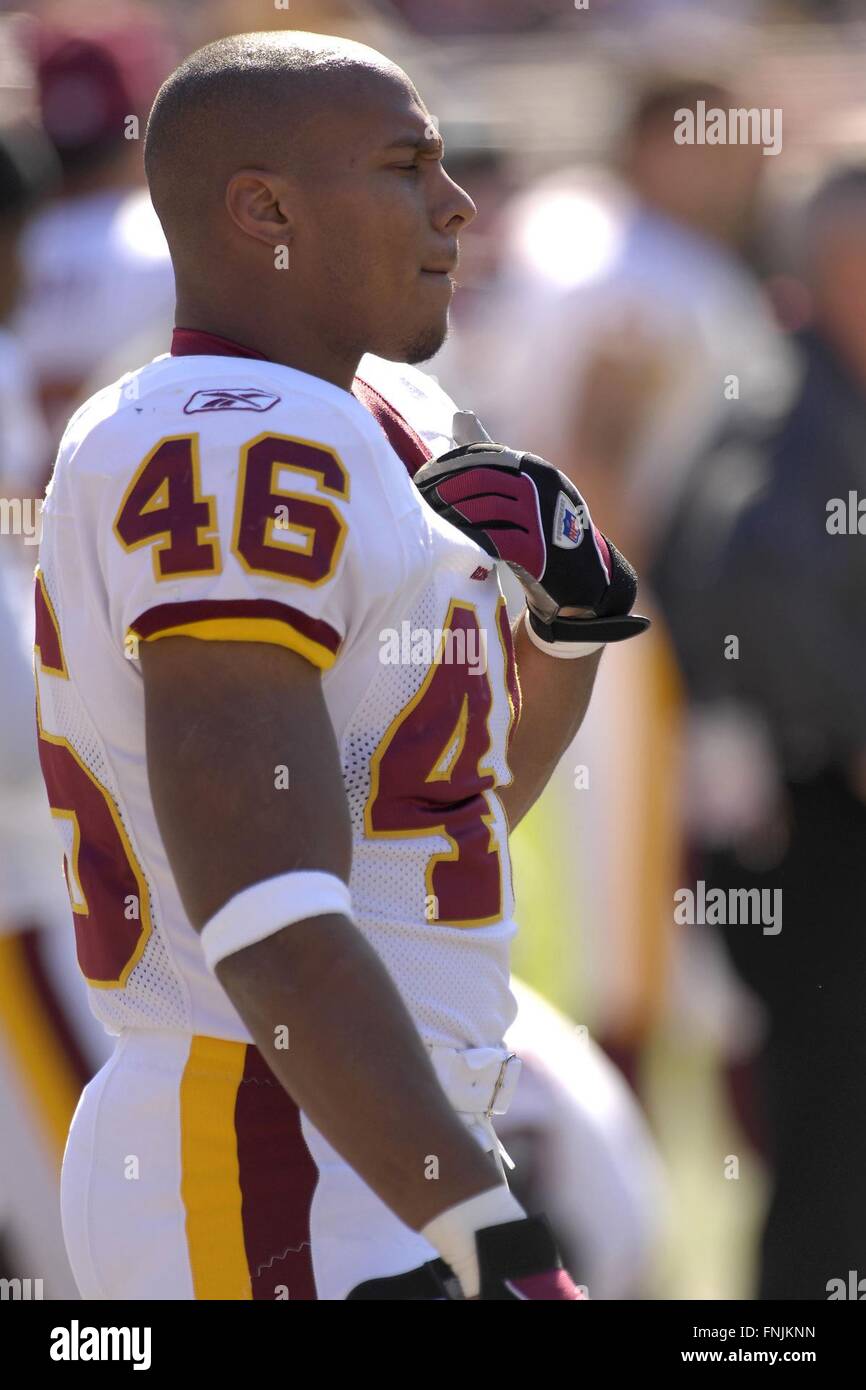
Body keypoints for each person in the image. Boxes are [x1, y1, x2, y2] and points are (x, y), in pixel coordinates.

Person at [38, 30, 648, 1301]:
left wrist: (563, 637)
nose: (457, 201)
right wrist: (501, 1243)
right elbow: (271, 918)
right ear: (262, 210)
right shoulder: (233, 441)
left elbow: (420, 833)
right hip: (263, 1146)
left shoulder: (385, 421)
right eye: (402, 163)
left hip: (364, 1131)